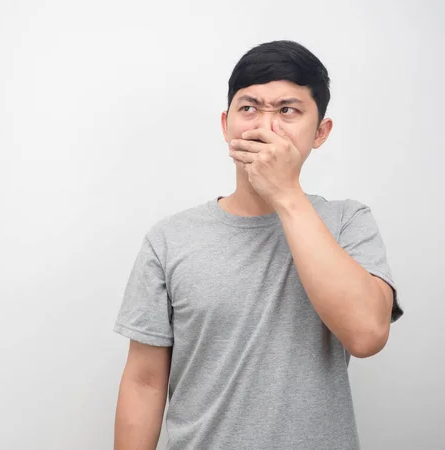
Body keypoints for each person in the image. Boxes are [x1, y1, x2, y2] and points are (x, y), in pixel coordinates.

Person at [112, 40, 404, 450]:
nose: (265, 127)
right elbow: (144, 381)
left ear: (321, 132)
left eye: (287, 111)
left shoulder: (349, 222)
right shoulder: (168, 239)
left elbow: (368, 335)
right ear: (225, 124)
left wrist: (285, 194)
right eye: (248, 108)